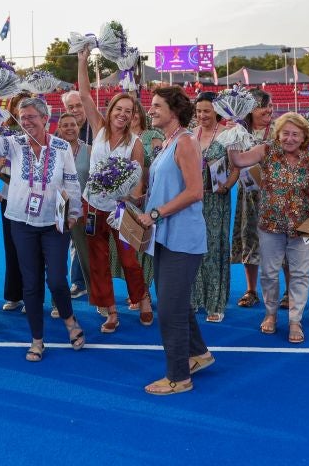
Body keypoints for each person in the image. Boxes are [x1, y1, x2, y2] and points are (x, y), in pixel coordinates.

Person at [0, 96, 85, 361]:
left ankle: (69, 319)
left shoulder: (61, 146)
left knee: (57, 280)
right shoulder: (14, 143)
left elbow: (71, 181)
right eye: (22, 117)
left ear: (45, 119)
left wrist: (73, 213)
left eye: (31, 117)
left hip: (54, 223)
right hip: (21, 223)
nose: (26, 122)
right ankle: (37, 339)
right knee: (31, 282)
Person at [137, 86, 212, 395]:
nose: (150, 109)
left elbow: (195, 191)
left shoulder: (185, 142)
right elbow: (165, 187)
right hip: (166, 236)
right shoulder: (169, 141)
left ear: (175, 110)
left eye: (157, 105)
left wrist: (155, 214)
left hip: (182, 238)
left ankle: (179, 377)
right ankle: (199, 354)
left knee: (170, 310)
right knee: (175, 302)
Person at [77, 45, 152, 332]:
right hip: (92, 206)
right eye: (119, 109)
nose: (123, 114)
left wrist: (131, 197)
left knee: (129, 259)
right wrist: (83, 60)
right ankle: (110, 310)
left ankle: (142, 298)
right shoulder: (97, 127)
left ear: (133, 116)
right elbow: (85, 94)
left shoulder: (136, 143)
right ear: (110, 111)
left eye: (128, 111)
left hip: (121, 210)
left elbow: (139, 179)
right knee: (98, 261)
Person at [230, 112, 309, 342]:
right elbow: (238, 161)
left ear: (304, 136)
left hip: (302, 226)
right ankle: (270, 314)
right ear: (278, 134)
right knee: (270, 273)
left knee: (300, 274)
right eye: (285, 133)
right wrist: (233, 134)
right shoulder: (266, 150)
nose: (290, 138)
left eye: (295, 134)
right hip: (270, 225)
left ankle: (295, 321)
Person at [110, 98, 164, 310]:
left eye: (133, 112)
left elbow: (159, 165)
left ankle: (145, 292)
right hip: (123, 201)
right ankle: (134, 289)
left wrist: (143, 191)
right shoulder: (119, 137)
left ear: (140, 114)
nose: (130, 116)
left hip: (146, 201)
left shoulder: (152, 136)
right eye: (125, 112)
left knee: (143, 246)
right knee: (127, 248)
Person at [190, 92, 238, 323]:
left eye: (206, 111)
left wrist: (226, 186)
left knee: (214, 250)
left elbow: (236, 168)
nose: (202, 115)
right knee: (193, 248)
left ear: (216, 111)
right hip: (192, 201)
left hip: (216, 201)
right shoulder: (192, 134)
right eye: (198, 111)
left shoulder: (228, 134)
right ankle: (195, 298)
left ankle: (216, 303)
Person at [232, 89, 275, 308]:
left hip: (275, 195)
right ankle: (251, 290)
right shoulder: (239, 132)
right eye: (262, 106)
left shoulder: (278, 130)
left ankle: (286, 292)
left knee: (282, 241)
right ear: (250, 110)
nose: (268, 110)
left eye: (270, 105)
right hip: (248, 195)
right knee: (249, 239)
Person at [0, 92, 32, 311]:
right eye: (19, 106)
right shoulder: (5, 133)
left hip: (34, 199)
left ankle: (31, 296)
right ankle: (14, 295)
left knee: (31, 250)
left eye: (27, 106)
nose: (22, 111)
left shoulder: (40, 133)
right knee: (12, 247)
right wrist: (1, 164)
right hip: (9, 196)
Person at [56, 113, 92, 310]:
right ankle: (58, 298)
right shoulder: (54, 150)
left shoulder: (89, 150)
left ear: (78, 127)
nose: (69, 128)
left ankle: (93, 292)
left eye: (73, 125)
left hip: (82, 208)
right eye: (65, 125)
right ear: (59, 128)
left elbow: (94, 180)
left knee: (83, 252)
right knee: (57, 253)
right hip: (58, 209)